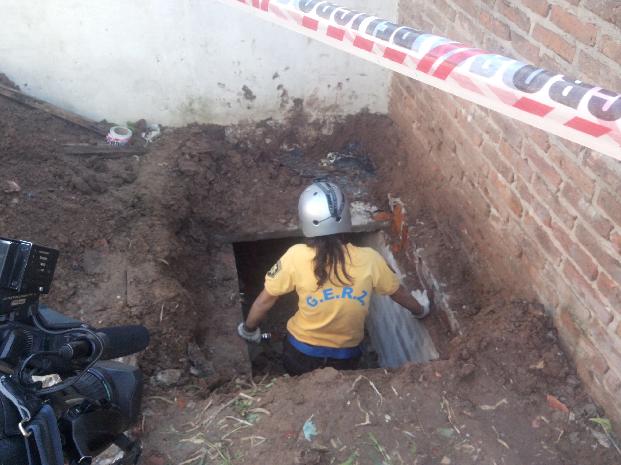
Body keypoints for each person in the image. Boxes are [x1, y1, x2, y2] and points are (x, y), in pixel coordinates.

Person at [237, 181, 431, 375]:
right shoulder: (370, 259)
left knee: (300, 384)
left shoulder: (295, 256)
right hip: (346, 358)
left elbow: (264, 302)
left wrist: (249, 330)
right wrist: (421, 310)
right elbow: (399, 294)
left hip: (300, 353)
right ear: (346, 218)